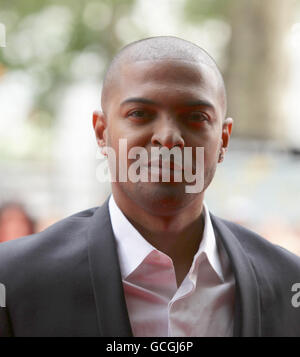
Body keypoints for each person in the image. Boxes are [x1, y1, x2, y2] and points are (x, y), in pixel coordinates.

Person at [0, 36, 300, 337]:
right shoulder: (14, 282)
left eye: (196, 117)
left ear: (223, 139)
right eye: (139, 114)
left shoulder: (288, 283)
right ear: (102, 132)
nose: (168, 137)